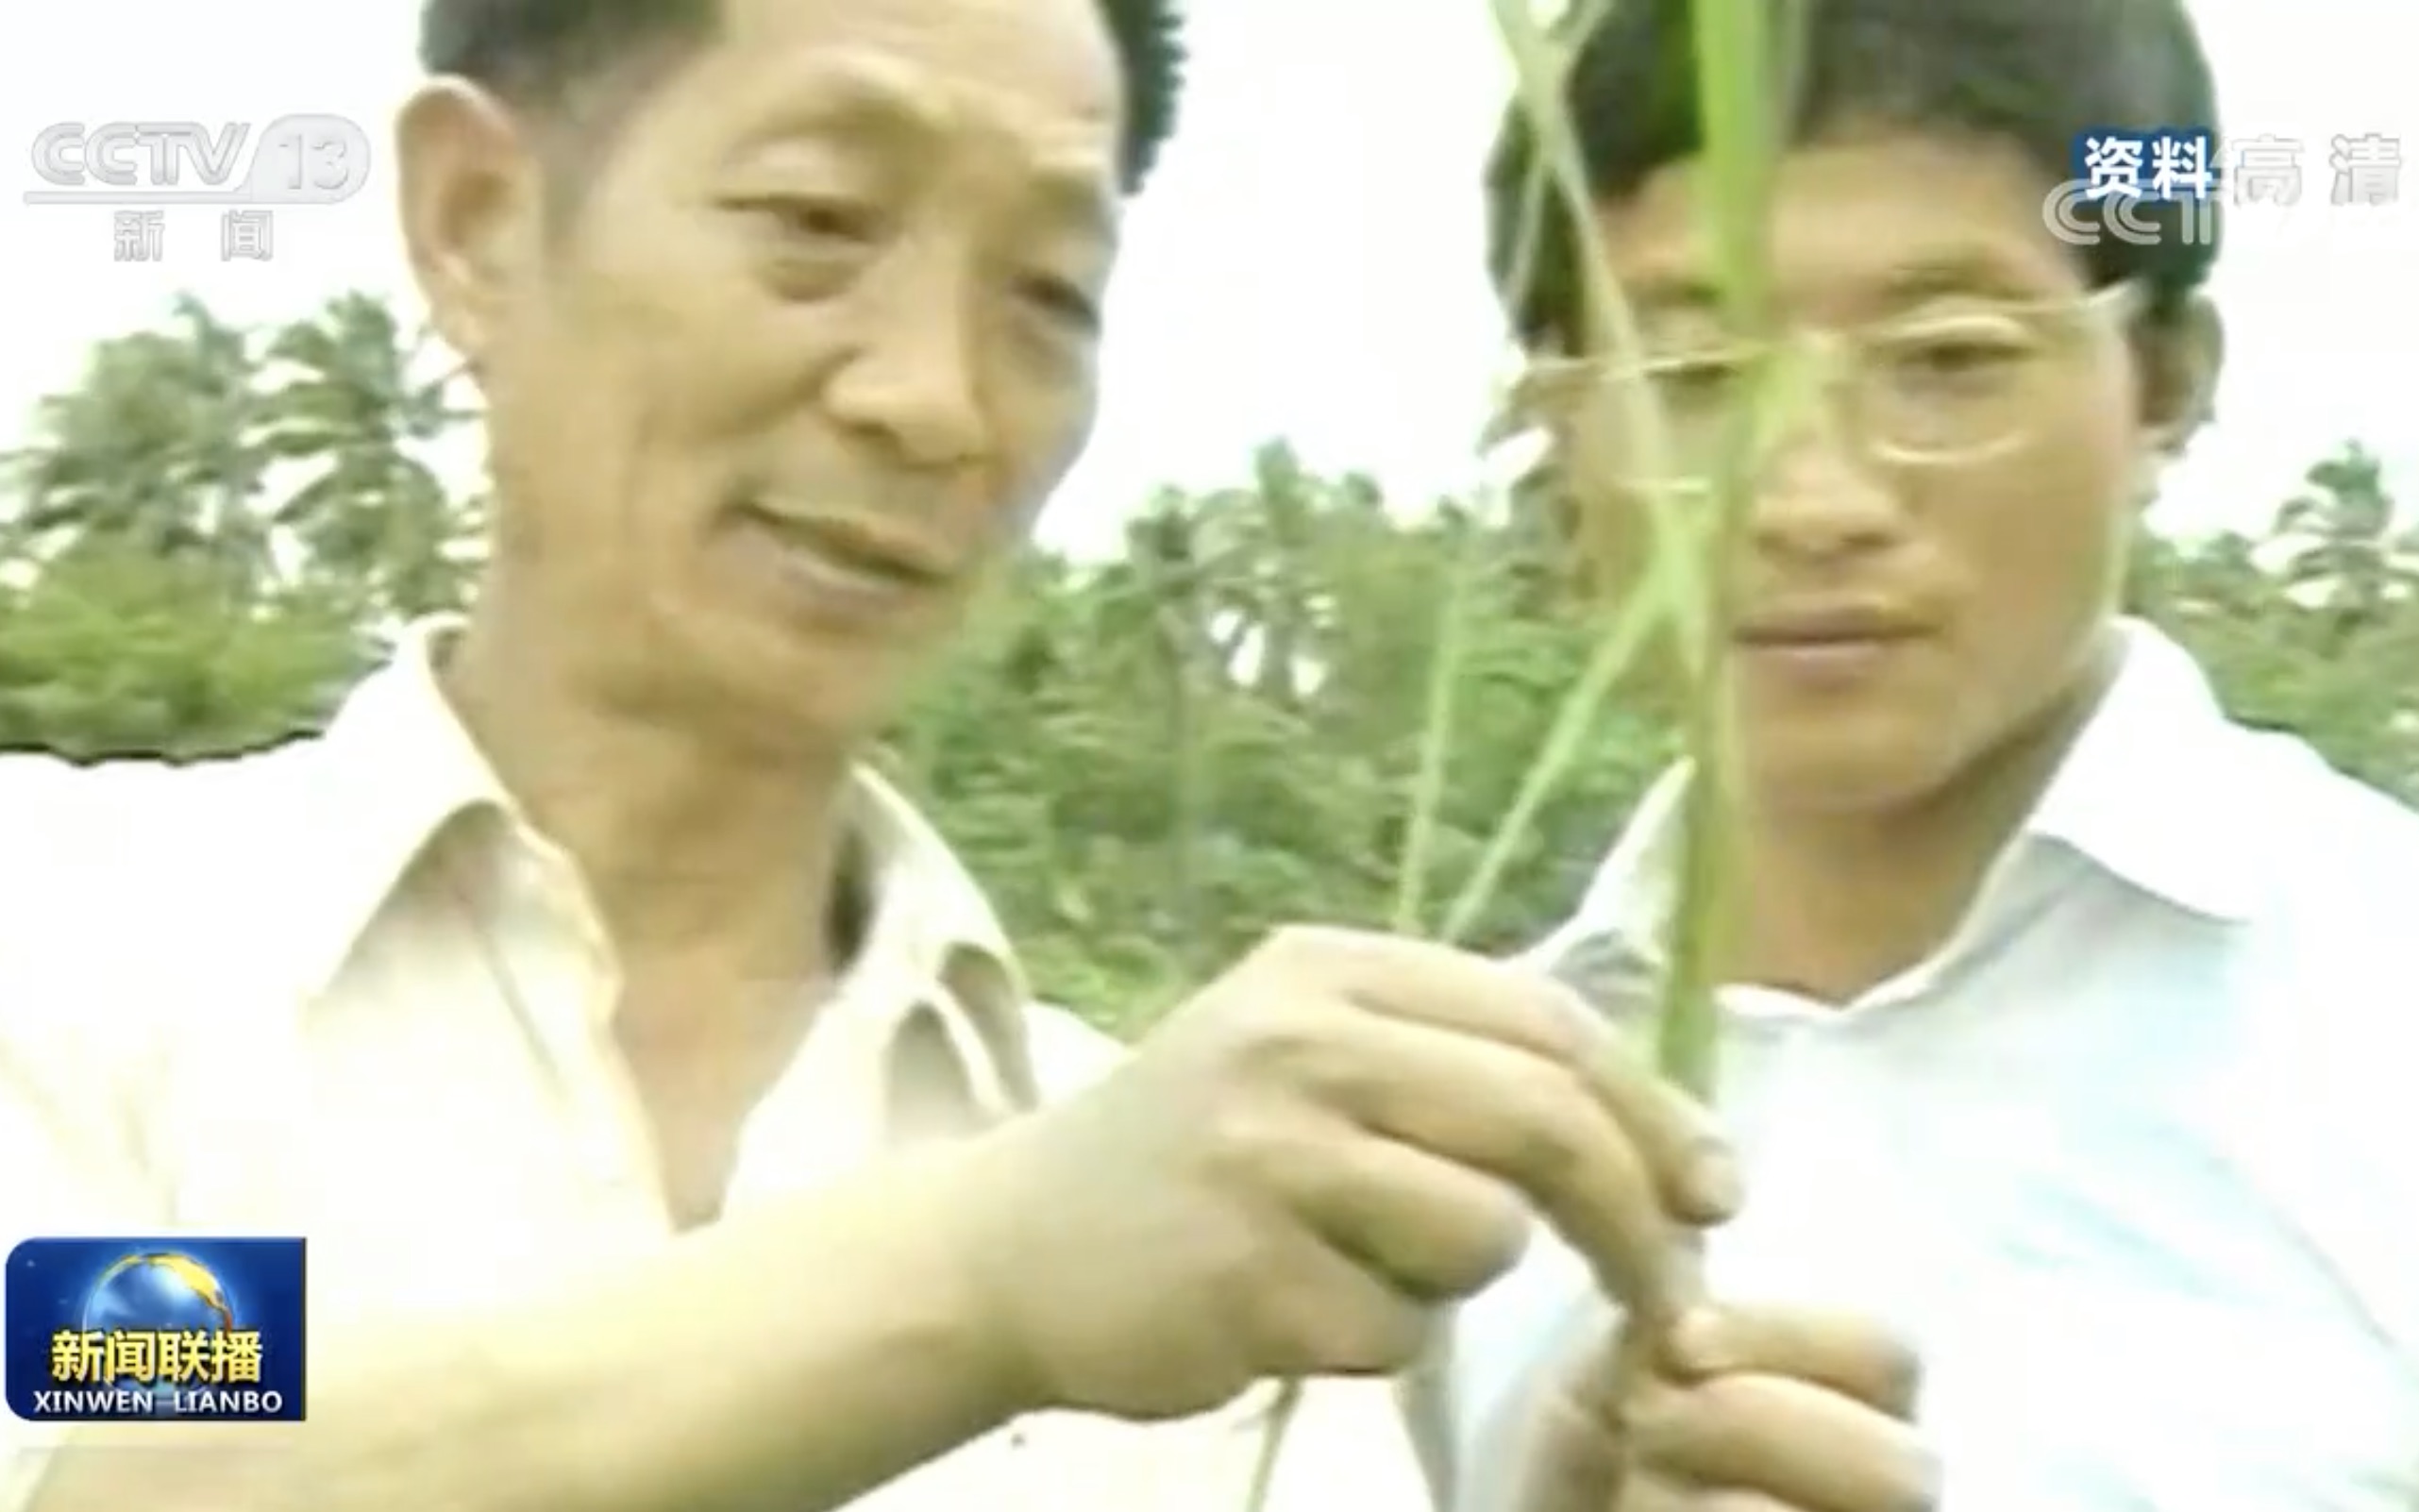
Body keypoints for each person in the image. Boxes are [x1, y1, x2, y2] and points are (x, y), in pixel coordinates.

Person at [0, 0, 1774, 1509]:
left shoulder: (1221, 1223)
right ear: (475, 221)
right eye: (817, 220)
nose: (935, 398)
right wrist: (979, 1286)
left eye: (1048, 295)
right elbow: (103, 1450)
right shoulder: (72, 958)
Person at [1439, 0, 2419, 1508]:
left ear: (2163, 381)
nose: (1811, 498)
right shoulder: (1456, 1137)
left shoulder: (2382, 1010)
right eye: (1696, 376)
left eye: (1947, 360)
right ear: (1560, 420)